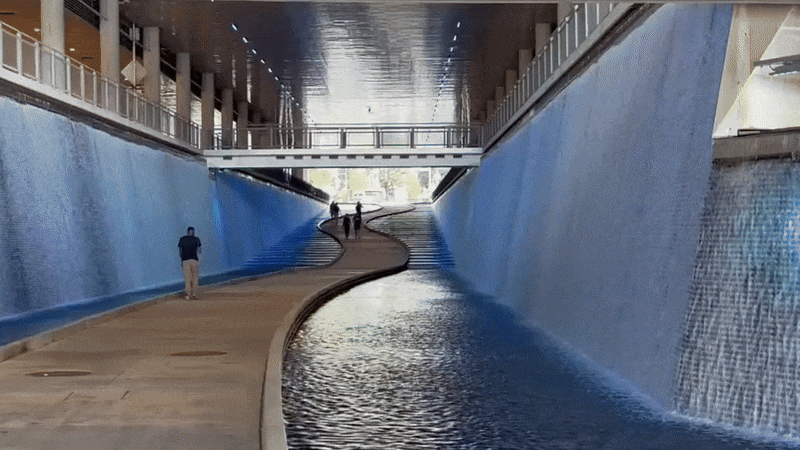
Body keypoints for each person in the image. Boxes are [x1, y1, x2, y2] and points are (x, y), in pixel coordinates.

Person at [178, 227, 202, 300]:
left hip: (185, 260)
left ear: (187, 231)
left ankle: (188, 295)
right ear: (193, 232)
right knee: (195, 277)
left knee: (187, 277)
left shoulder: (182, 239)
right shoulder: (196, 239)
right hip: (194, 260)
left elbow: (180, 251)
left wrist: (181, 260)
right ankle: (194, 294)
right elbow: (199, 250)